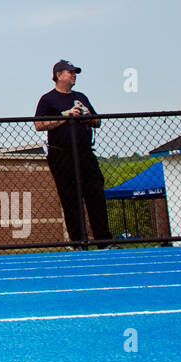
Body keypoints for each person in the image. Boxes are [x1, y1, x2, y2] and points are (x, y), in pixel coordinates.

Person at [33, 60, 113, 248]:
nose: (74, 75)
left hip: (85, 152)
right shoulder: (48, 99)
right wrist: (65, 115)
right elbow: (38, 125)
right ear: (59, 75)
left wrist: (86, 114)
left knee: (95, 194)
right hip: (61, 154)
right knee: (70, 198)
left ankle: (104, 240)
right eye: (70, 72)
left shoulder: (81, 96)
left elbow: (97, 122)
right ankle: (78, 241)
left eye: (75, 72)